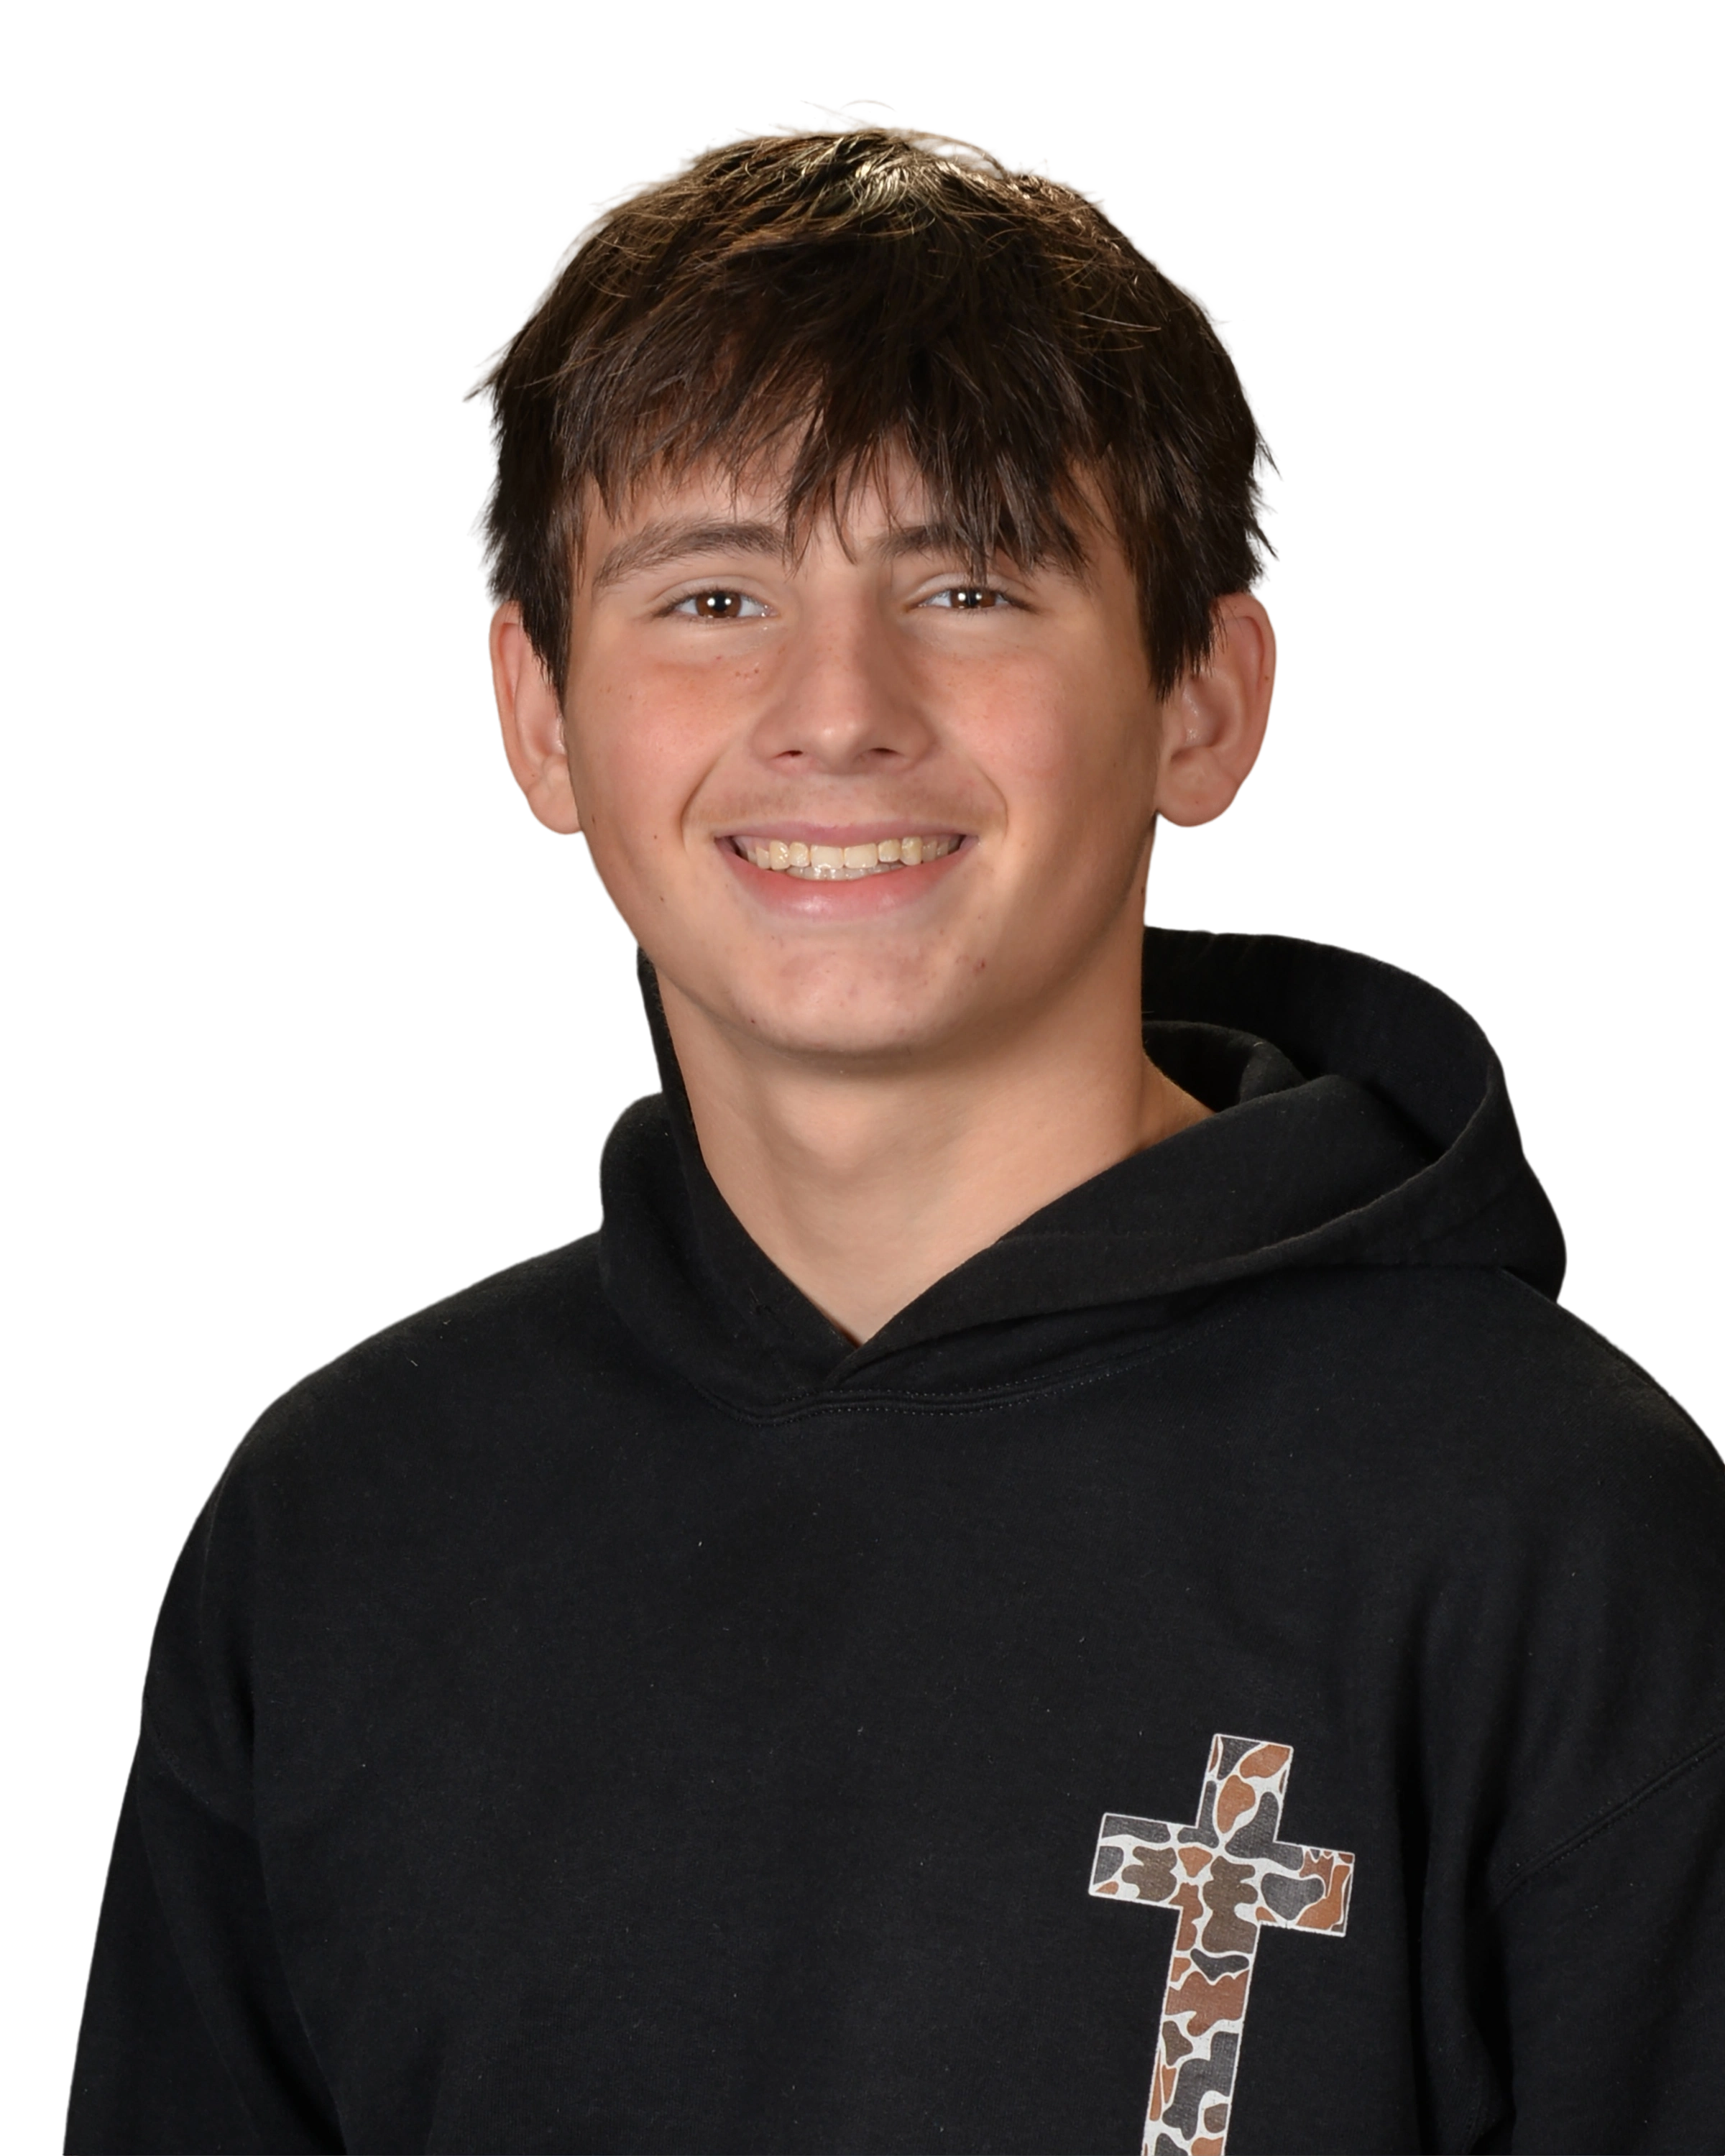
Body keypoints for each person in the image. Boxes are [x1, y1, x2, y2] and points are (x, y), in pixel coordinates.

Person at [64, 103, 1725, 2156]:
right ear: (539, 714)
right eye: (710, 598)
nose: (837, 707)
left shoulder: (1555, 1534)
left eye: (969, 584)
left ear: (1203, 701)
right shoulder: (336, 1534)